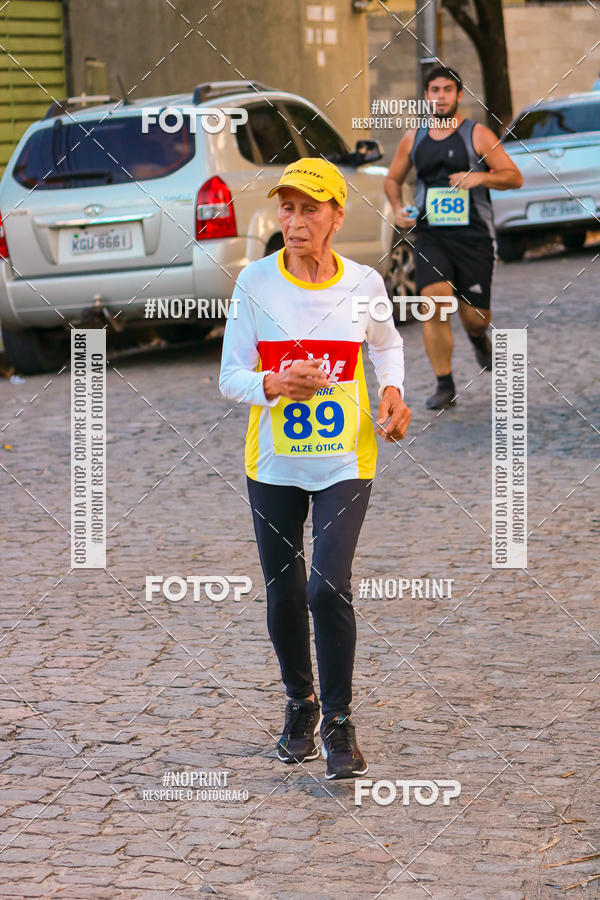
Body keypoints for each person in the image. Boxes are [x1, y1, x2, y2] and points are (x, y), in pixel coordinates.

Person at [219, 158, 411, 780]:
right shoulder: (254, 283)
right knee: (283, 592)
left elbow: (385, 345)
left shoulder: (362, 284)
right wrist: (274, 383)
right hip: (273, 463)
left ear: (336, 217)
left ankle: (338, 724)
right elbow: (230, 379)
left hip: (345, 460)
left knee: (326, 586)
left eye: (309, 209)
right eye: (287, 208)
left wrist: (394, 392)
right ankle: (299, 705)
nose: (295, 221)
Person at [384, 66, 523, 409]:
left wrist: (480, 179)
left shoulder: (477, 135)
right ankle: (444, 385)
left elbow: (513, 176)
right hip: (431, 236)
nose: (441, 96)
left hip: (473, 236)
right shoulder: (413, 137)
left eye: (448, 89)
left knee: (475, 317)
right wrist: (398, 207)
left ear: (459, 95)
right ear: (426, 95)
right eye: (434, 89)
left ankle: (478, 336)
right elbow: (392, 178)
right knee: (434, 303)